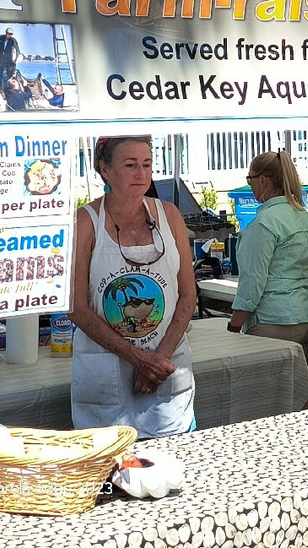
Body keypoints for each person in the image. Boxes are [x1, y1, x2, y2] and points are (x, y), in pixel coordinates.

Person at [69, 136, 197, 438]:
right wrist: (137, 358)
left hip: (166, 368)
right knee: (112, 469)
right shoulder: (86, 221)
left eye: (146, 164)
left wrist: (158, 362)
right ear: (104, 169)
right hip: (107, 373)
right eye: (130, 165)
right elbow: (75, 306)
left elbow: (188, 295)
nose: (141, 174)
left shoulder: (169, 215)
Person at [228, 151, 308, 352]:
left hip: (273, 320)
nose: (249, 184)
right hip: (305, 316)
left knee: (263, 383)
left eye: (250, 179)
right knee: (295, 382)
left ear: (262, 180)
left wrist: (233, 326)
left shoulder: (263, 224)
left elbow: (252, 284)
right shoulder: (304, 217)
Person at [0, 27, 21, 92]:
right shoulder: (0, 38)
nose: (9, 35)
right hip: (1, 59)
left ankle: (9, 90)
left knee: (9, 75)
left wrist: (15, 59)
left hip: (9, 60)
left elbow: (18, 50)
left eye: (11, 34)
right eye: (8, 33)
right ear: (6, 33)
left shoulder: (13, 40)